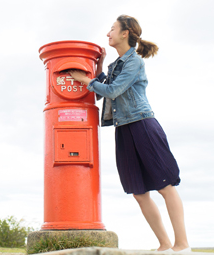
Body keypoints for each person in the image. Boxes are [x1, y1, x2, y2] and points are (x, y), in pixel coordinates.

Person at [68, 15, 190, 253]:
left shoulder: (135, 62)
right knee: (138, 192)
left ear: (125, 33)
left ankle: (182, 244)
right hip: (123, 129)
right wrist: (100, 69)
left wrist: (85, 79)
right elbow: (101, 93)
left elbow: (113, 90)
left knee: (165, 186)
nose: (108, 33)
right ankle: (165, 244)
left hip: (143, 125)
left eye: (112, 29)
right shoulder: (116, 65)